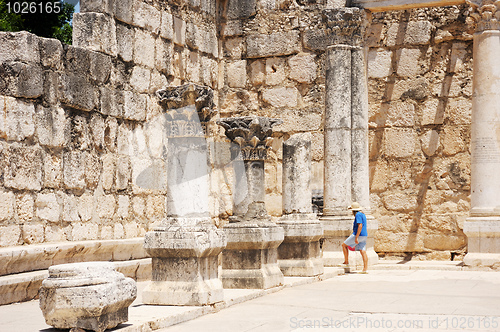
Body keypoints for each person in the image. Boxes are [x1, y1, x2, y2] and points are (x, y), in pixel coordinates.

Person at [341, 202, 368, 273]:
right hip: (364, 235)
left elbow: (360, 226)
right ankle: (365, 269)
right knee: (363, 251)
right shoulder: (363, 214)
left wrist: (356, 237)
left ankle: (346, 262)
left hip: (358, 234)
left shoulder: (358, 215)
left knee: (344, 245)